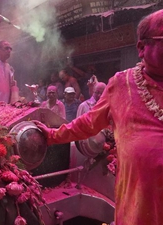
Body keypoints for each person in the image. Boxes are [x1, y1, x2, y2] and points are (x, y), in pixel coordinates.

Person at [34, 9, 163, 225]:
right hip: (140, 210)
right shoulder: (122, 84)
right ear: (142, 47)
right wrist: (53, 136)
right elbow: (88, 123)